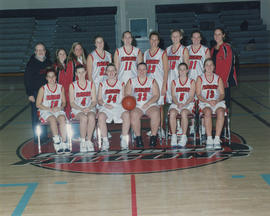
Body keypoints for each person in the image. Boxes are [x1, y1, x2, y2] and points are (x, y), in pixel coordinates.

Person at [125, 62, 160, 148]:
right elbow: (127, 95)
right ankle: (138, 137)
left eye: (144, 69)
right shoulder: (131, 81)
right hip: (137, 105)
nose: (142, 71)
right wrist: (133, 103)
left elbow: (156, 95)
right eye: (140, 69)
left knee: (156, 112)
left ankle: (153, 136)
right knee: (134, 114)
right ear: (136, 70)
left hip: (150, 104)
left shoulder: (152, 81)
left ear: (147, 70)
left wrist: (148, 103)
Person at [97, 63, 130, 151]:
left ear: (116, 72)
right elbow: (99, 99)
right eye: (109, 70)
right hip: (106, 107)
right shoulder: (102, 84)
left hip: (118, 106)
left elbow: (124, 98)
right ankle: (105, 141)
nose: (111, 72)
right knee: (101, 116)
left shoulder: (121, 83)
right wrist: (105, 104)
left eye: (113, 70)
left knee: (127, 115)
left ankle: (124, 139)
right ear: (106, 72)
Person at [36, 67, 68, 154]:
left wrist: (60, 107)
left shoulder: (60, 88)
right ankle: (57, 141)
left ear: (55, 77)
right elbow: (38, 104)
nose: (51, 79)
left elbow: (64, 102)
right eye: (49, 77)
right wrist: (49, 109)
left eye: (53, 76)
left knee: (62, 118)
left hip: (57, 109)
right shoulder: (43, 89)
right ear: (46, 78)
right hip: (45, 110)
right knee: (52, 119)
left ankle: (64, 142)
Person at [24, 42, 52, 143]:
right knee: (36, 116)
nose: (40, 52)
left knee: (44, 114)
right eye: (38, 50)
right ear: (35, 51)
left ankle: (44, 136)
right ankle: (38, 138)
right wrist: (30, 93)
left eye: (42, 50)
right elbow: (27, 79)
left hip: (47, 93)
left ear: (45, 51)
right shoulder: (31, 63)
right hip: (35, 93)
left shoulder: (48, 62)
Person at [196, 58, 226, 150]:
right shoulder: (200, 78)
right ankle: (209, 138)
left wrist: (216, 101)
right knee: (207, 112)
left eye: (211, 65)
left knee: (221, 112)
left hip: (216, 101)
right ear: (204, 67)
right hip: (205, 102)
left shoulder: (218, 78)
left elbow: (222, 94)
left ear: (214, 67)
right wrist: (207, 101)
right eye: (207, 65)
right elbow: (198, 94)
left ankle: (217, 138)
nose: (209, 67)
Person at [144, 31, 169, 138]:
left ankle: (161, 128)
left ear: (158, 41)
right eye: (152, 39)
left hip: (159, 82)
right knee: (152, 106)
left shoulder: (162, 53)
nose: (154, 41)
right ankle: (153, 128)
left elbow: (166, 70)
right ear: (149, 40)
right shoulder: (146, 53)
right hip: (149, 84)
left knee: (160, 106)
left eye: (156, 39)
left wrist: (164, 85)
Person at [187, 30, 211, 134]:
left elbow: (209, 66)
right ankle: (192, 125)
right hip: (190, 80)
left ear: (201, 39)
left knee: (202, 103)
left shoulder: (205, 50)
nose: (196, 39)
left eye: (198, 37)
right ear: (191, 39)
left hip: (201, 80)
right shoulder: (186, 49)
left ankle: (203, 125)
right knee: (191, 103)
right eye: (194, 37)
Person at [69, 65, 96, 153]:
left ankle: (89, 141)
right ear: (76, 74)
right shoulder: (72, 85)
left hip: (89, 108)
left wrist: (89, 107)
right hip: (77, 109)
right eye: (79, 72)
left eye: (82, 72)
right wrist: (81, 109)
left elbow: (94, 101)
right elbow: (72, 103)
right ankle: (83, 141)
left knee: (91, 117)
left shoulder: (91, 84)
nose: (81, 74)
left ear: (85, 72)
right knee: (84, 118)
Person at [169, 63, 195, 147]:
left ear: (187, 71)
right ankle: (174, 136)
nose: (182, 71)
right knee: (172, 113)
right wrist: (177, 104)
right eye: (180, 69)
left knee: (184, 113)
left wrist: (184, 104)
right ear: (178, 71)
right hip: (177, 103)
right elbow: (173, 95)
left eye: (184, 69)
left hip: (188, 104)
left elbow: (191, 96)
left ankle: (184, 136)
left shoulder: (191, 81)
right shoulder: (174, 82)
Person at [211, 28, 237, 108]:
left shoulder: (227, 48)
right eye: (215, 34)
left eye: (219, 34)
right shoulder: (212, 49)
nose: (217, 36)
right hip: (214, 81)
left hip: (224, 81)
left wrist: (223, 82)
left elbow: (229, 67)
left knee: (225, 105)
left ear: (223, 35)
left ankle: (226, 119)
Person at [166, 29, 189, 104]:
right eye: (173, 36)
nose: (175, 38)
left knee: (179, 99)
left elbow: (187, 66)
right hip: (169, 76)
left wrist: (184, 79)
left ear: (181, 37)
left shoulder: (184, 49)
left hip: (179, 77)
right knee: (170, 101)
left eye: (177, 36)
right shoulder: (167, 49)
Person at [65, 42, 87, 118]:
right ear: (73, 51)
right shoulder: (71, 63)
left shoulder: (84, 62)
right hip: (75, 91)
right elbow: (68, 80)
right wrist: (69, 94)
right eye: (76, 49)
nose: (79, 51)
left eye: (80, 49)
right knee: (75, 115)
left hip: (84, 91)